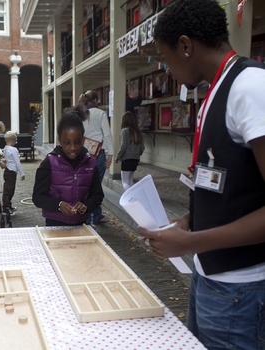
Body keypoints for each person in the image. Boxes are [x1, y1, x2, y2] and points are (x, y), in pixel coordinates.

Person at [137, 1, 265, 349]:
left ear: (185, 45)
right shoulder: (217, 89)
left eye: (165, 59)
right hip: (209, 278)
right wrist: (191, 220)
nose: (166, 70)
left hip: (241, 288)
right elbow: (235, 184)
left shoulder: (250, 87)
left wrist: (193, 243)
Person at [32, 105, 104, 226]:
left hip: (81, 225)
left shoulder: (90, 164)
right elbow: (38, 197)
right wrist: (58, 205)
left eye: (77, 142)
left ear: (82, 139)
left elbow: (97, 195)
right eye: (67, 143)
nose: (73, 147)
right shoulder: (49, 163)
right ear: (60, 140)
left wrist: (86, 206)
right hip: (54, 225)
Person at [78, 90, 114, 224]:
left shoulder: (80, 113)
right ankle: (95, 216)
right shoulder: (100, 114)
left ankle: (88, 217)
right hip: (98, 154)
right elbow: (107, 134)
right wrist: (110, 153)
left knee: (85, 186)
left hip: (83, 154)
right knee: (96, 186)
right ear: (96, 100)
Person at [115, 111, 145, 190]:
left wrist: (117, 157)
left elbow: (123, 146)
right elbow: (142, 147)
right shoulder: (138, 132)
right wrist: (138, 154)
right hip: (136, 159)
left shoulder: (124, 131)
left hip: (126, 159)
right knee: (130, 180)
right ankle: (133, 198)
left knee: (125, 182)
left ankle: (129, 200)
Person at [2, 131, 25, 216]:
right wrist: (22, 173)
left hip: (8, 170)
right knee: (9, 190)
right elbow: (17, 162)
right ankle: (6, 208)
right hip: (12, 171)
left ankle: (8, 205)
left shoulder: (6, 148)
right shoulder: (13, 150)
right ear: (13, 139)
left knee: (8, 189)